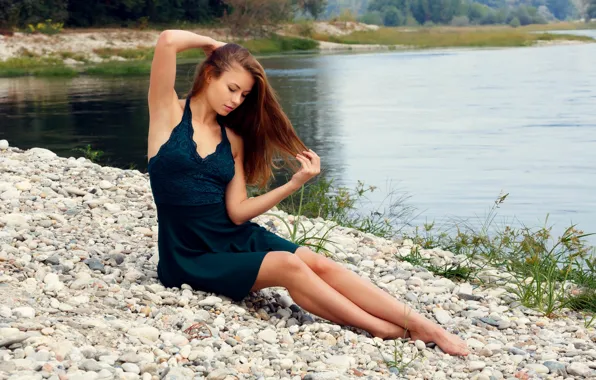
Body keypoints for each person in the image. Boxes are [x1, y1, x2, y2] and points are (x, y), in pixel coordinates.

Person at [146, 29, 469, 356]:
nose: (236, 100)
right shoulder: (167, 114)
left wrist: (294, 183)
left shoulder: (234, 140)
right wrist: (212, 45)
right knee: (289, 265)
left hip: (232, 234)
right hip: (188, 255)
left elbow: (238, 212)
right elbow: (168, 40)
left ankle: (423, 325)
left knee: (319, 263)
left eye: (243, 95)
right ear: (209, 74)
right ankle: (381, 329)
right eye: (232, 88)